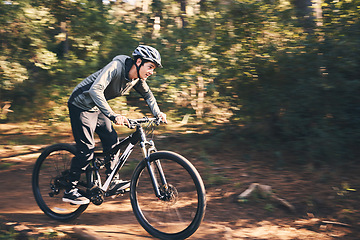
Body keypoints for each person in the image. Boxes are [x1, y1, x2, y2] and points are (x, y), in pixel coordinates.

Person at [63, 45, 167, 205]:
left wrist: (158, 113)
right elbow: (95, 90)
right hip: (80, 105)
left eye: (153, 69)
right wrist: (113, 115)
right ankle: (70, 190)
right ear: (139, 62)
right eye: (150, 67)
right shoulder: (116, 67)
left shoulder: (137, 79)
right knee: (86, 150)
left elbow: (148, 96)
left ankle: (112, 180)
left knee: (112, 142)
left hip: (96, 107)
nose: (151, 72)